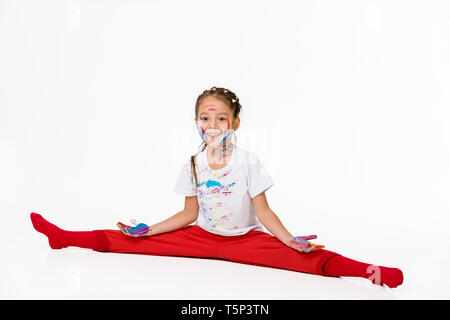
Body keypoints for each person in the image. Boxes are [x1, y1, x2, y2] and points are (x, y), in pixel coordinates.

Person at [30, 86, 403, 288]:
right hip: (202, 236)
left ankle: (369, 271)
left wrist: (288, 239)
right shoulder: (192, 163)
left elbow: (263, 211)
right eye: (205, 117)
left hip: (245, 240)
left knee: (302, 259)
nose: (212, 124)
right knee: (133, 240)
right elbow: (190, 214)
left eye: (221, 117)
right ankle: (65, 238)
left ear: (235, 123)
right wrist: (150, 229)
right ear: (196, 122)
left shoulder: (248, 162)